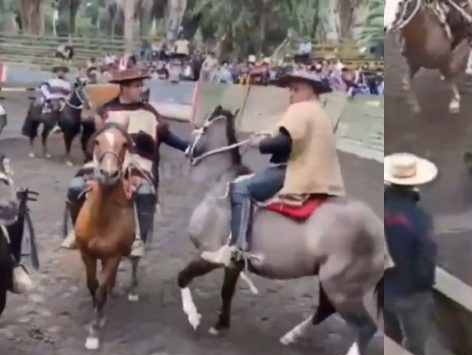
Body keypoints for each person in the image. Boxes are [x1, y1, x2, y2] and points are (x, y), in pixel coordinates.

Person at [201, 70, 345, 265]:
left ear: (310, 91)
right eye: (290, 89)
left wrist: (258, 144)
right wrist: (266, 136)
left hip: (297, 172)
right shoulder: (318, 111)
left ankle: (237, 248)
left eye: (295, 89)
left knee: (240, 189)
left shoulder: (301, 109)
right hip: (320, 175)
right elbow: (290, 137)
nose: (291, 94)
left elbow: (284, 143)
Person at [60, 68, 190, 254]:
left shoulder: (149, 112)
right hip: (107, 162)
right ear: (124, 88)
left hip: (138, 164)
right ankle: (77, 232)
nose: (141, 89)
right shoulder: (106, 111)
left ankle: (139, 240)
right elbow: (91, 141)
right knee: (75, 187)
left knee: (145, 192)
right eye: (137, 86)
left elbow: (165, 135)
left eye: (141, 85)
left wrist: (187, 147)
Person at [382, 153, 438, 355]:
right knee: (416, 343)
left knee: (391, 334)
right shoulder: (419, 218)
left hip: (383, 287)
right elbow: (426, 260)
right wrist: (425, 287)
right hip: (410, 292)